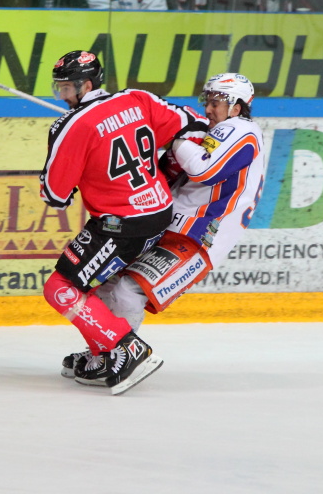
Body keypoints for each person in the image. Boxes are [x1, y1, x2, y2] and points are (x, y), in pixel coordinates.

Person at [64, 73, 265, 381]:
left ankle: (124, 356)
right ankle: (103, 350)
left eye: (216, 103)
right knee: (106, 283)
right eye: (207, 102)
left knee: (129, 292)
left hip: (199, 236)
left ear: (237, 107)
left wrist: (181, 136)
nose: (209, 109)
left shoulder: (242, 130)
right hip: (167, 225)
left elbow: (203, 170)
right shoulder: (208, 133)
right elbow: (164, 173)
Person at [39, 50, 208, 395]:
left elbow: (54, 196)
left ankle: (126, 348)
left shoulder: (71, 125)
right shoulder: (138, 99)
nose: (64, 96)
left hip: (121, 225)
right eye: (59, 90)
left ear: (86, 85)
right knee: (97, 287)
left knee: (61, 288)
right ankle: (102, 352)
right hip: (160, 214)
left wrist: (76, 140)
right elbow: (192, 124)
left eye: (67, 89)